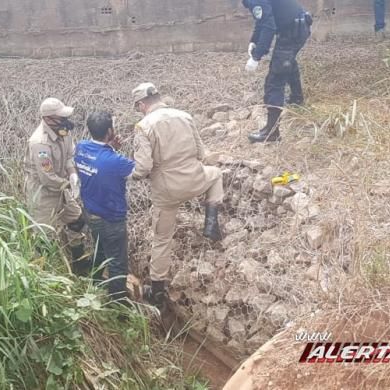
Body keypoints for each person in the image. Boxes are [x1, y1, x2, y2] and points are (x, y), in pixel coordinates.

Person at [130, 82, 224, 311]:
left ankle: (158, 289)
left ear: (142, 104)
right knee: (216, 175)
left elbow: (143, 167)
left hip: (167, 191)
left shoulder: (143, 127)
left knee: (162, 239)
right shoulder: (185, 116)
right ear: (158, 97)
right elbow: (202, 153)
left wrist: (131, 176)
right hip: (195, 180)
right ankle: (211, 223)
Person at [74, 111, 134, 305]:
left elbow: (99, 162)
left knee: (99, 250)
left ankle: (95, 286)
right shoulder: (116, 161)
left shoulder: (81, 147)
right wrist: (115, 151)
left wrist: (110, 147)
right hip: (111, 218)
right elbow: (140, 170)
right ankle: (118, 304)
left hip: (91, 214)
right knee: (117, 262)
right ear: (110, 130)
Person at [24, 97, 87, 269]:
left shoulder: (63, 133)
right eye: (61, 118)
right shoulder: (40, 143)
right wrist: (68, 184)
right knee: (44, 238)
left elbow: (68, 157)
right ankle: (44, 275)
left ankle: (79, 265)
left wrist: (73, 174)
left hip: (61, 187)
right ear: (48, 119)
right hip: (43, 194)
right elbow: (47, 177)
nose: (65, 121)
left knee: (77, 220)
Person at [242, 0, 312, 143]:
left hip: (293, 29)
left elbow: (269, 26)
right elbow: (263, 19)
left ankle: (272, 133)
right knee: (287, 62)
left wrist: (257, 56)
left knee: (275, 78)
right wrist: (254, 40)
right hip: (298, 24)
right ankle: (297, 99)